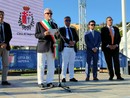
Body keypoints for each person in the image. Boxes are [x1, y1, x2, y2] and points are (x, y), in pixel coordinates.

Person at [35, 8, 58, 88]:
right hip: (42, 46)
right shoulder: (39, 24)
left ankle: (49, 81)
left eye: (51, 13)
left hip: (51, 47)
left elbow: (56, 36)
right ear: (44, 14)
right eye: (48, 13)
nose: (49, 15)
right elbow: (37, 35)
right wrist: (44, 34)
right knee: (41, 65)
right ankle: (40, 82)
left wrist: (57, 34)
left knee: (51, 66)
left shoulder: (54, 24)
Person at [101, 16, 124, 80]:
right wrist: (109, 45)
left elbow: (118, 38)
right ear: (106, 21)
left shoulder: (116, 29)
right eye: (109, 20)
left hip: (115, 48)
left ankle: (118, 75)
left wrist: (116, 45)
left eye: (111, 20)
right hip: (107, 48)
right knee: (109, 62)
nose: (110, 21)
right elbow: (103, 38)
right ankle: (111, 75)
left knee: (116, 62)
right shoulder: (103, 29)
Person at [59, 16, 79, 82]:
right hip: (65, 48)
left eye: (69, 21)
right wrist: (69, 42)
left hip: (72, 48)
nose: (68, 22)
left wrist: (74, 42)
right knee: (65, 63)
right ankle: (63, 77)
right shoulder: (61, 29)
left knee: (72, 63)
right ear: (64, 21)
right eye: (66, 20)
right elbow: (62, 37)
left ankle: (71, 77)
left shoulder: (73, 29)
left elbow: (77, 38)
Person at [0, 10, 12, 85]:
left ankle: (4, 80)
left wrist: (5, 43)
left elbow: (10, 36)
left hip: (6, 47)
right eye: (0, 15)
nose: (1, 17)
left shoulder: (7, 25)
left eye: (2, 15)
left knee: (6, 64)